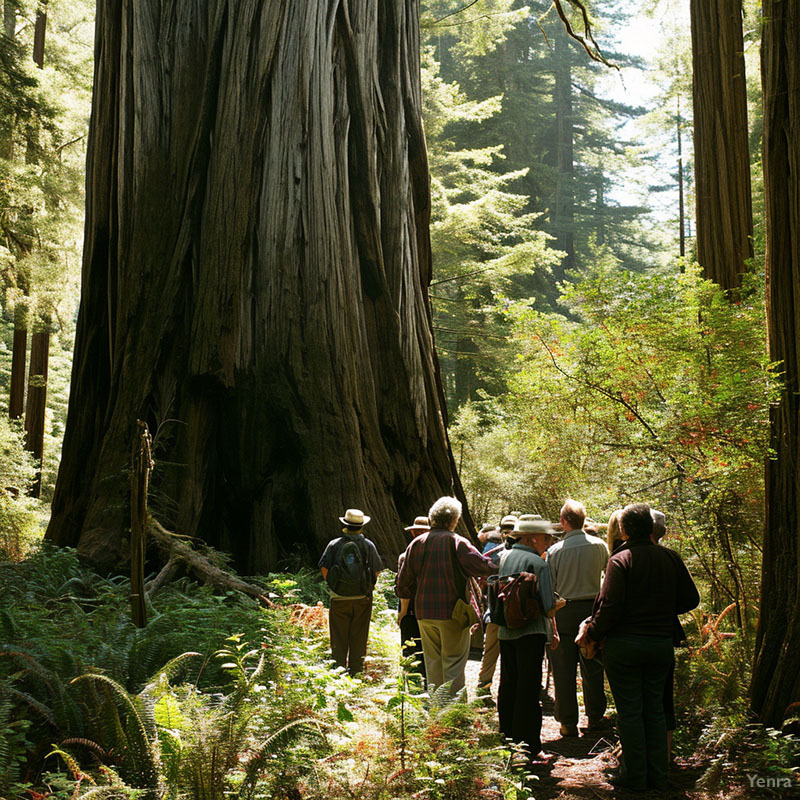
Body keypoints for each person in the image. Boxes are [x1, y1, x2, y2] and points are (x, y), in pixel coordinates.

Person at [576, 503, 699, 791]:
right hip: (660, 645)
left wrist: (592, 632)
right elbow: (690, 600)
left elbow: (610, 606)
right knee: (655, 710)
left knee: (631, 711)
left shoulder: (621, 559)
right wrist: (664, 610)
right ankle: (657, 776)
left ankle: (634, 777)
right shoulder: (670, 557)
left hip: (625, 646)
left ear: (624, 529)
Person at [395, 496, 498, 695]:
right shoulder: (458, 543)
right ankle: (454, 715)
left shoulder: (416, 544)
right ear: (453, 520)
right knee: (454, 663)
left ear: (432, 518)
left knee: (433, 664)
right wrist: (502, 560)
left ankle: (437, 713)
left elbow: (403, 584)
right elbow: (482, 567)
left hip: (424, 614)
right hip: (452, 613)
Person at [496, 519, 560, 763]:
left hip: (506, 629)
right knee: (529, 688)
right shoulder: (537, 563)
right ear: (533, 538)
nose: (548, 543)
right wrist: (557, 606)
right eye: (546, 539)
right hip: (531, 631)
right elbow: (547, 605)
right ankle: (531, 747)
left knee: (509, 683)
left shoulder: (505, 557)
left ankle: (508, 738)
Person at [546, 498, 610, 736]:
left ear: (563, 522)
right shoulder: (599, 546)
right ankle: (595, 717)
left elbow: (550, 587)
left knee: (563, 670)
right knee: (592, 665)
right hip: (592, 612)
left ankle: (567, 722)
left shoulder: (554, 551)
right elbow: (607, 580)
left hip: (563, 612)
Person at [318, 508, 383, 676]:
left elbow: (324, 568)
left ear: (344, 524)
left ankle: (338, 671)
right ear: (362, 526)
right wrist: (368, 587)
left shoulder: (334, 545)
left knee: (338, 636)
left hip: (339, 599)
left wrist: (335, 586)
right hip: (362, 598)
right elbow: (376, 571)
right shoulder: (368, 545)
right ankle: (356, 671)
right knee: (359, 635)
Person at [396, 515, 429, 679]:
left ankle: (414, 683)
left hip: (410, 610)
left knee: (410, 647)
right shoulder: (437, 556)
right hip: (431, 609)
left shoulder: (406, 556)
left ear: (414, 533)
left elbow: (404, 587)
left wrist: (402, 612)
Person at [476, 525, 505, 694]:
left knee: (491, 648)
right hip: (515, 612)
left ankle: (483, 685)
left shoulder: (490, 552)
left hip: (494, 608)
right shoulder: (529, 554)